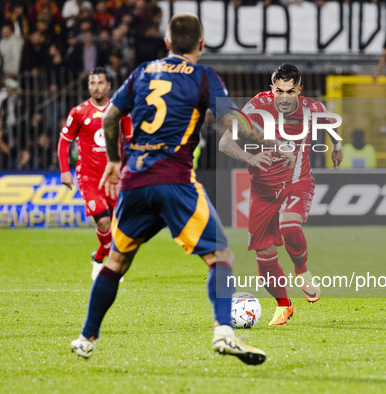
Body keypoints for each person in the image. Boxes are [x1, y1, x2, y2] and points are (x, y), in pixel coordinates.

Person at [69, 13, 287, 365]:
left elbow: (110, 117)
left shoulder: (142, 72)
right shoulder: (203, 76)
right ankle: (224, 333)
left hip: (133, 182)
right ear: (201, 44)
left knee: (116, 261)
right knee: (220, 257)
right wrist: (270, 141)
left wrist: (113, 160)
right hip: (174, 180)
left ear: (167, 44)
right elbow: (231, 122)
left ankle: (86, 338)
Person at [219, 64, 344, 326]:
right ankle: (284, 305)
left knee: (289, 225)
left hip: (297, 180)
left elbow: (330, 122)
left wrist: (337, 146)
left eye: (290, 91)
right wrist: (249, 157)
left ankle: (302, 271)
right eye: (279, 91)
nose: (284, 98)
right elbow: (224, 143)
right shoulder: (255, 107)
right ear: (271, 89)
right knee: (264, 257)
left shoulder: (312, 108)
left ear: (300, 89)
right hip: (262, 191)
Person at [58, 67, 132, 280]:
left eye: (100, 83)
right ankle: (110, 264)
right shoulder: (79, 112)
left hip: (115, 177)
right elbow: (64, 142)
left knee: (119, 226)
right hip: (89, 177)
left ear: (109, 86)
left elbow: (131, 140)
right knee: (103, 222)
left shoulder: (120, 111)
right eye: (92, 83)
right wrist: (65, 170)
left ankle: (99, 257)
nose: (96, 87)